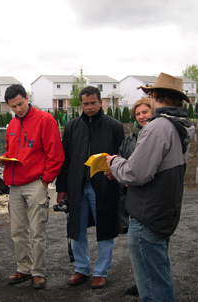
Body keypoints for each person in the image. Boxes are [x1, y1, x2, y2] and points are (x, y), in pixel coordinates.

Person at [106, 72, 195, 301]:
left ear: (154, 95)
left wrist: (114, 162)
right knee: (159, 278)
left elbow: (135, 173)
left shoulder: (158, 127)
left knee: (152, 288)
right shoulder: (181, 126)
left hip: (148, 216)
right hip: (164, 212)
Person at [56, 86, 125, 289]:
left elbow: (121, 157)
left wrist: (117, 174)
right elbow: (65, 159)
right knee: (76, 228)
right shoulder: (71, 127)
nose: (89, 107)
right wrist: (62, 187)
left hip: (104, 186)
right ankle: (81, 268)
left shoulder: (114, 126)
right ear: (81, 104)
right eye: (85, 104)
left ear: (100, 101)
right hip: (77, 186)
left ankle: (101, 271)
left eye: (93, 103)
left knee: (105, 227)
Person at [0, 84, 64, 289]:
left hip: (35, 183)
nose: (18, 109)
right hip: (15, 185)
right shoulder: (13, 125)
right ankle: (24, 268)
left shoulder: (45, 120)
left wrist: (45, 181)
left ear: (27, 97)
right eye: (13, 106)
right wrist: (4, 159)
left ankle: (38, 271)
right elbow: (14, 151)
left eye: (20, 103)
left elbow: (56, 155)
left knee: (37, 230)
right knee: (17, 230)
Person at [117, 98, 152, 296]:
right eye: (138, 114)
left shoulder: (157, 135)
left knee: (150, 243)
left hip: (151, 198)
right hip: (132, 197)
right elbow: (121, 163)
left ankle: (152, 286)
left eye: (145, 112)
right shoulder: (128, 141)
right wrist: (123, 179)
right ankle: (141, 283)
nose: (142, 116)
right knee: (136, 243)